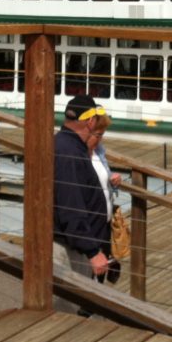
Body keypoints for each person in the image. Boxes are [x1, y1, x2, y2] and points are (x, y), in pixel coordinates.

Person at [53, 95, 116, 301]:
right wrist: (92, 252)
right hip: (71, 249)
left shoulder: (65, 144)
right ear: (90, 122)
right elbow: (71, 206)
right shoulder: (70, 153)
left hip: (74, 244)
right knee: (68, 307)